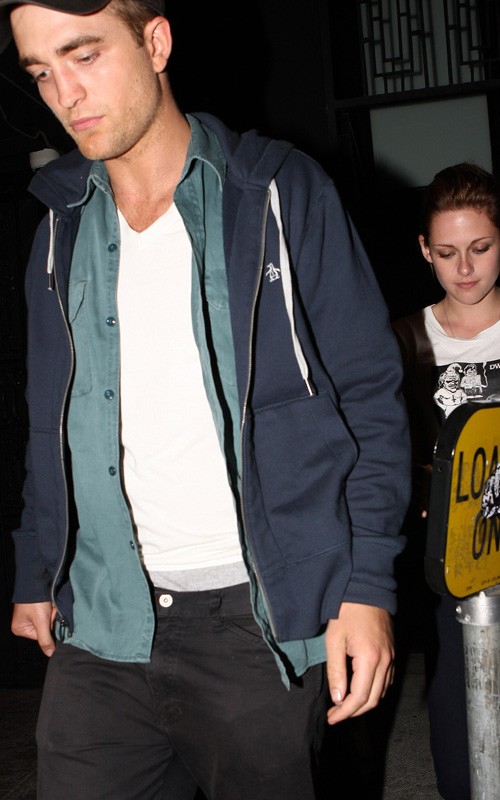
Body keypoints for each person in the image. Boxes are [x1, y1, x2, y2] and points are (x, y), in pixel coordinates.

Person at [1, 1, 410, 798]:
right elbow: (50, 420)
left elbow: (368, 398)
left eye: (84, 56)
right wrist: (34, 565)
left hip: (256, 619)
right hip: (104, 618)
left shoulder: (277, 192)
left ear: (155, 42)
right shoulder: (57, 226)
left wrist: (366, 586)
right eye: (41, 72)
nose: (64, 94)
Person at [393, 162, 500, 800]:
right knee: (458, 714)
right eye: (447, 252)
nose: (465, 269)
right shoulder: (406, 339)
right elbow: (381, 445)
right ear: (424, 250)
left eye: (480, 248)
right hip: (452, 553)